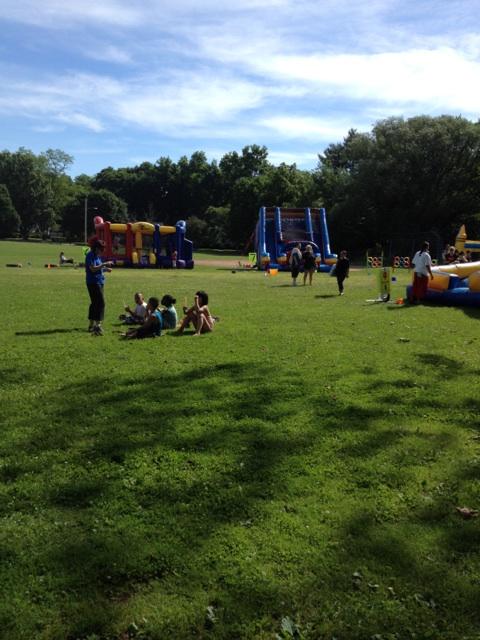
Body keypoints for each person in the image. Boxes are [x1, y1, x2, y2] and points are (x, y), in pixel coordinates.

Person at [85, 240, 113, 335]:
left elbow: (99, 268)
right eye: (101, 250)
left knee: (95, 303)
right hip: (93, 282)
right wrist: (104, 264)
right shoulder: (90, 255)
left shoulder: (97, 256)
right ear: (97, 248)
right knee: (101, 303)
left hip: (100, 281)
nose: (102, 251)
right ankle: (98, 326)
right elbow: (93, 269)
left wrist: (106, 269)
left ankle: (91, 325)